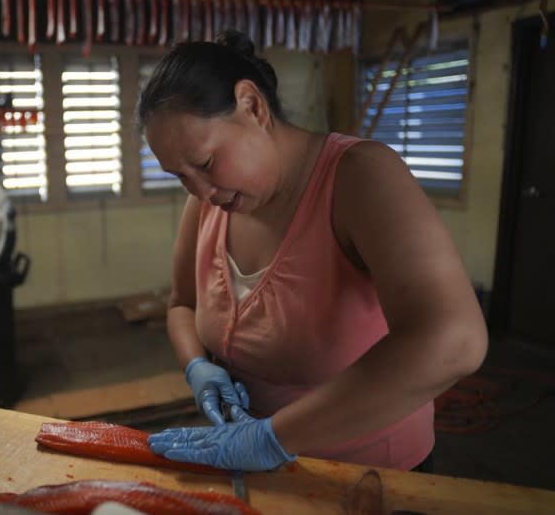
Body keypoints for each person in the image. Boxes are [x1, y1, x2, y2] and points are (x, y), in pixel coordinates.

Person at [138, 31, 488, 472]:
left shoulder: (361, 178)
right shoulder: (209, 203)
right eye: (180, 176)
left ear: (252, 106)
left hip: (368, 476)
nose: (200, 189)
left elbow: (455, 340)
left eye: (205, 163)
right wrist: (197, 366)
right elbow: (182, 304)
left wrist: (271, 437)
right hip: (263, 469)